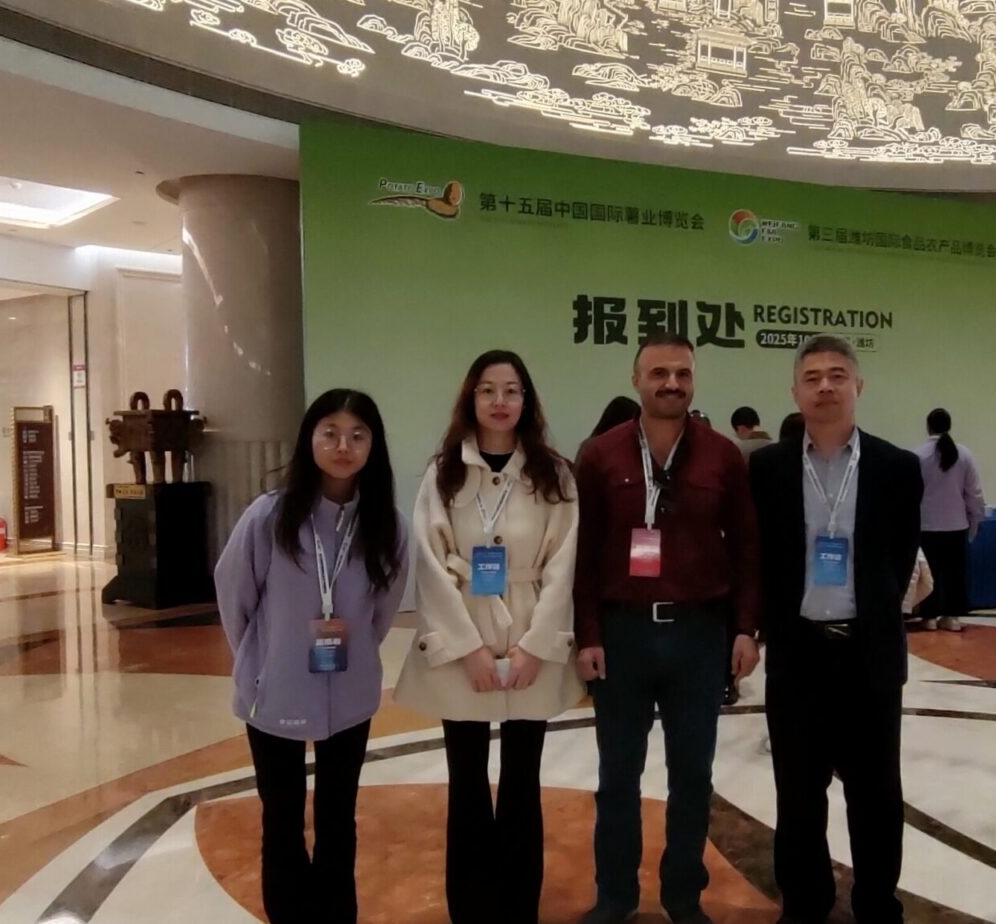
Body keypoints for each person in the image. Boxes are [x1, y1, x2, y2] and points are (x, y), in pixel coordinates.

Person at [573, 331, 760, 924]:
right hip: (622, 636)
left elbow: (747, 549)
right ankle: (615, 897)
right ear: (636, 380)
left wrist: (745, 628)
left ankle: (683, 896)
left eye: (682, 373)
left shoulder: (723, 456)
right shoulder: (599, 455)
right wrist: (588, 634)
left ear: (694, 379)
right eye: (658, 373)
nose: (671, 383)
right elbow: (583, 553)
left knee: (693, 777)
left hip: (699, 636)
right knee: (617, 777)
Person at [395, 351, 584, 924]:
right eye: (487, 390)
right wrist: (466, 648)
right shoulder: (444, 473)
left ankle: (519, 906)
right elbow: (430, 564)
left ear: (527, 400)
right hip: (464, 637)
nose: (500, 401)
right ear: (470, 398)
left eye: (511, 390)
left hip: (531, 635)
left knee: (523, 782)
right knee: (467, 783)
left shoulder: (554, 473)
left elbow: (564, 564)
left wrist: (536, 647)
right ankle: (472, 907)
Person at [214, 389, 410, 924]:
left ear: (374, 446)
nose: (343, 446)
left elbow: (382, 611)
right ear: (309, 440)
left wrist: (358, 657)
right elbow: (234, 595)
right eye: (331, 433)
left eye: (358, 435)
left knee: (338, 821)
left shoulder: (387, 524)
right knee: (281, 821)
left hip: (349, 695)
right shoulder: (269, 516)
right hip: (273, 691)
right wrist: (261, 658)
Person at [749, 335, 921, 924]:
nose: (825, 386)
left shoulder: (896, 467)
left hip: (869, 653)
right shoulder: (767, 467)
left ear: (858, 386)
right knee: (797, 794)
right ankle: (805, 903)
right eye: (813, 377)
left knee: (876, 794)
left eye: (837, 375)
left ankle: (877, 904)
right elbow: (762, 556)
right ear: (795, 391)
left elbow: (899, 559)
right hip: (798, 654)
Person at [917, 409, 985, 633]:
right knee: (955, 573)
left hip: (926, 525)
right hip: (956, 524)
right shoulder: (964, 454)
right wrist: (976, 517)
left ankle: (929, 616)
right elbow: (974, 492)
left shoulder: (918, 455)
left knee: (929, 574)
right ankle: (951, 616)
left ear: (928, 426)